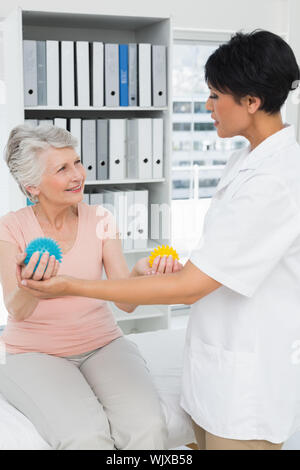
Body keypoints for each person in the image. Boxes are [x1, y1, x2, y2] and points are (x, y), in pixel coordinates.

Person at [21, 30, 300, 450]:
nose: (207, 106)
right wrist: (169, 271)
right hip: (214, 369)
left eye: (214, 95)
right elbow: (220, 258)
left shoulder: (275, 181)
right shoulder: (243, 159)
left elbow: (184, 291)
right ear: (31, 187)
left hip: (248, 384)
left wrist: (71, 286)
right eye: (61, 168)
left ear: (251, 102)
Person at [0, 124, 183, 450]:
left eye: (77, 163)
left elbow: (125, 301)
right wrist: (33, 284)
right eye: (62, 168)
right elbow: (16, 308)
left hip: (103, 344)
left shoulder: (100, 218)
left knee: (150, 428)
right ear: (32, 186)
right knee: (86, 438)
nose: (78, 175)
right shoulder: (11, 227)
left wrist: (141, 273)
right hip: (35, 353)